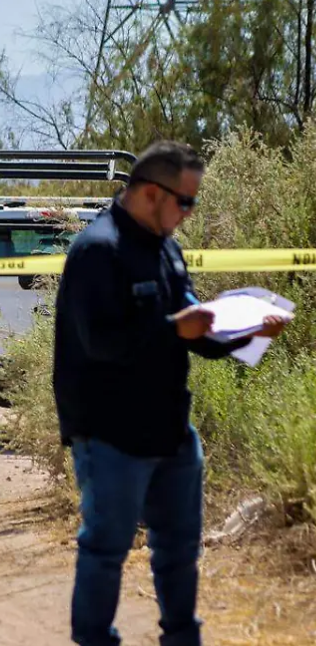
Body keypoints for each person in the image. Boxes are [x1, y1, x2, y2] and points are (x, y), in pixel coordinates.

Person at [52, 141, 288, 646]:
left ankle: (182, 639)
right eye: (186, 202)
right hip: (109, 434)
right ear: (151, 193)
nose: (187, 214)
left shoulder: (166, 247)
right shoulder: (98, 250)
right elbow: (99, 342)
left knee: (179, 550)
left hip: (172, 432)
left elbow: (196, 333)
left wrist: (251, 335)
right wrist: (171, 330)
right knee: (106, 549)